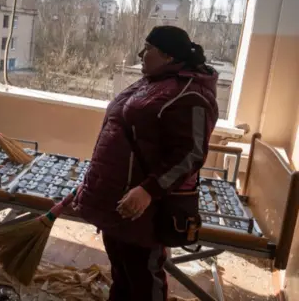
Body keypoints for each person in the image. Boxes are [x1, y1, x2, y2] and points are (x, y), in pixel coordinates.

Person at [74, 26, 219, 300]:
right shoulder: (153, 82)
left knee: (143, 278)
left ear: (167, 56)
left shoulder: (190, 94)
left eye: (148, 49)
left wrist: (148, 190)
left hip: (144, 208)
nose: (141, 54)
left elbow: (190, 154)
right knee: (122, 273)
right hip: (118, 200)